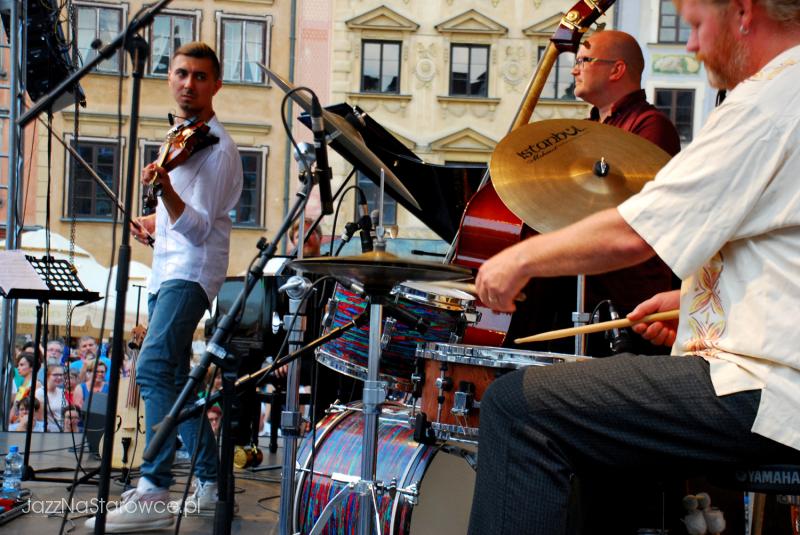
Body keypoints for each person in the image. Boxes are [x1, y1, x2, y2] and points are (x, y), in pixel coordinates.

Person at [468, 2, 800, 534]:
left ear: (742, 12)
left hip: (769, 389)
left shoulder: (770, 100)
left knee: (517, 408)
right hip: (778, 376)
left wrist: (518, 258)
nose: (690, 46)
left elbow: (635, 232)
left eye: (695, 25)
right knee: (597, 428)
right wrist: (690, 304)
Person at [88, 42, 243, 533]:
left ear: (216, 84)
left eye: (200, 77)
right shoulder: (182, 138)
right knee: (175, 379)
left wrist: (167, 193)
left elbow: (201, 229)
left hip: (192, 271)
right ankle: (212, 483)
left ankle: (153, 488)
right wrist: (155, 218)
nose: (188, 84)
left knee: (152, 367)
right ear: (169, 78)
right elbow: (182, 221)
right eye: (181, 74)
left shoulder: (217, 149)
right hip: (168, 266)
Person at [35, 364, 66, 431]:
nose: (59, 377)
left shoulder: (62, 392)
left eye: (61, 375)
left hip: (64, 431)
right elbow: (39, 418)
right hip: (49, 432)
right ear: (47, 376)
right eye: (55, 375)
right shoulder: (40, 393)